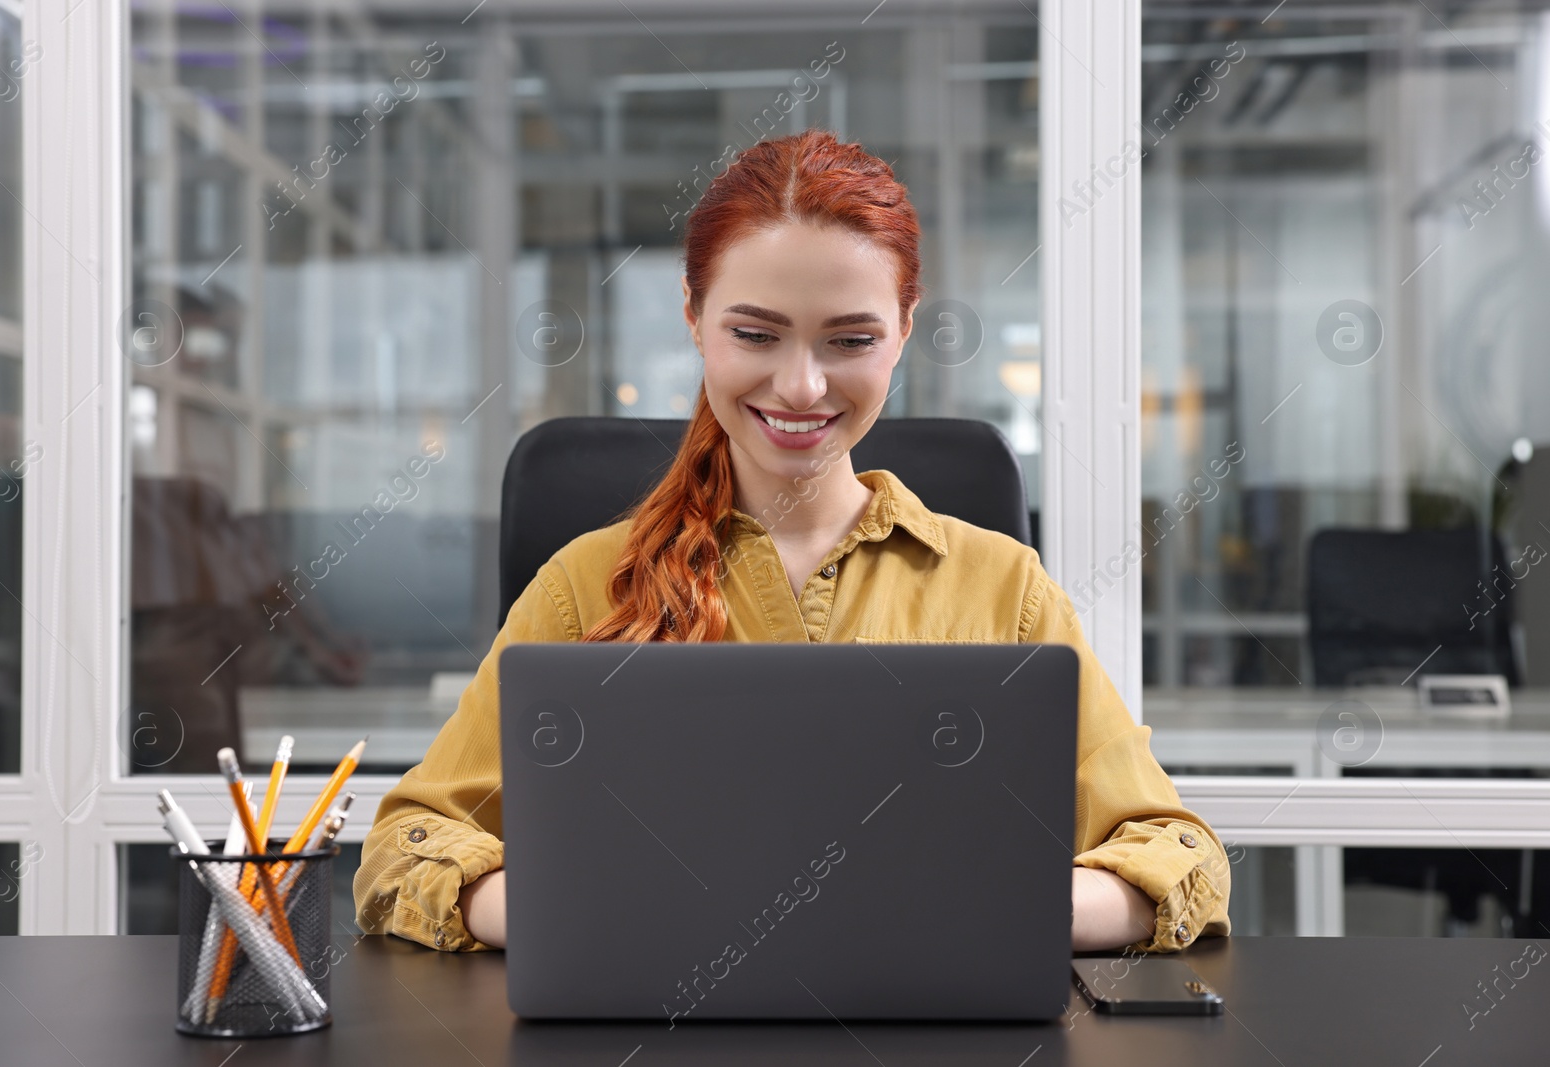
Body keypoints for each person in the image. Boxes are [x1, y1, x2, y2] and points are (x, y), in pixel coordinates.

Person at [353, 128, 1231, 956]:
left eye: (850, 339)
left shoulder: (1005, 587)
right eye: (755, 334)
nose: (802, 385)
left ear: (906, 330)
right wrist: (601, 914)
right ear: (694, 318)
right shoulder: (586, 582)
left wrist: (970, 912)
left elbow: (1180, 855)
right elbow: (401, 853)